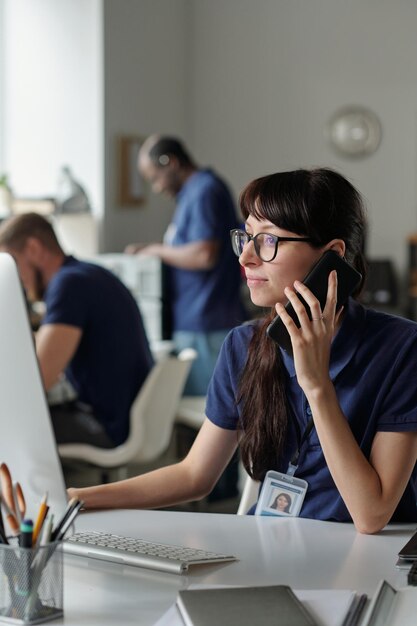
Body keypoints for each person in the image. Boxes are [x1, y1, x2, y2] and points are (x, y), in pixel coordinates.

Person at [69, 168, 417, 534]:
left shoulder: (401, 349)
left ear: (331, 255)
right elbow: (194, 475)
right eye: (247, 237)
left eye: (267, 241)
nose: (246, 257)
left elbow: (371, 514)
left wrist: (316, 386)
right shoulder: (243, 345)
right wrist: (79, 498)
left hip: (366, 561)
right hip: (270, 545)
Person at [0, 212, 154, 448]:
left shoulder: (68, 285)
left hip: (104, 424)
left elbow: (40, 378)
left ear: (33, 249)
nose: (18, 280)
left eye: (13, 264)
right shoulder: (88, 273)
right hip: (122, 417)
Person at [125, 135, 246, 396]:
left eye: (155, 177)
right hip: (193, 320)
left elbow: (204, 254)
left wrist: (155, 250)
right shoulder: (191, 195)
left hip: (207, 323)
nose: (156, 188)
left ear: (170, 162)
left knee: (210, 413)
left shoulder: (205, 190)